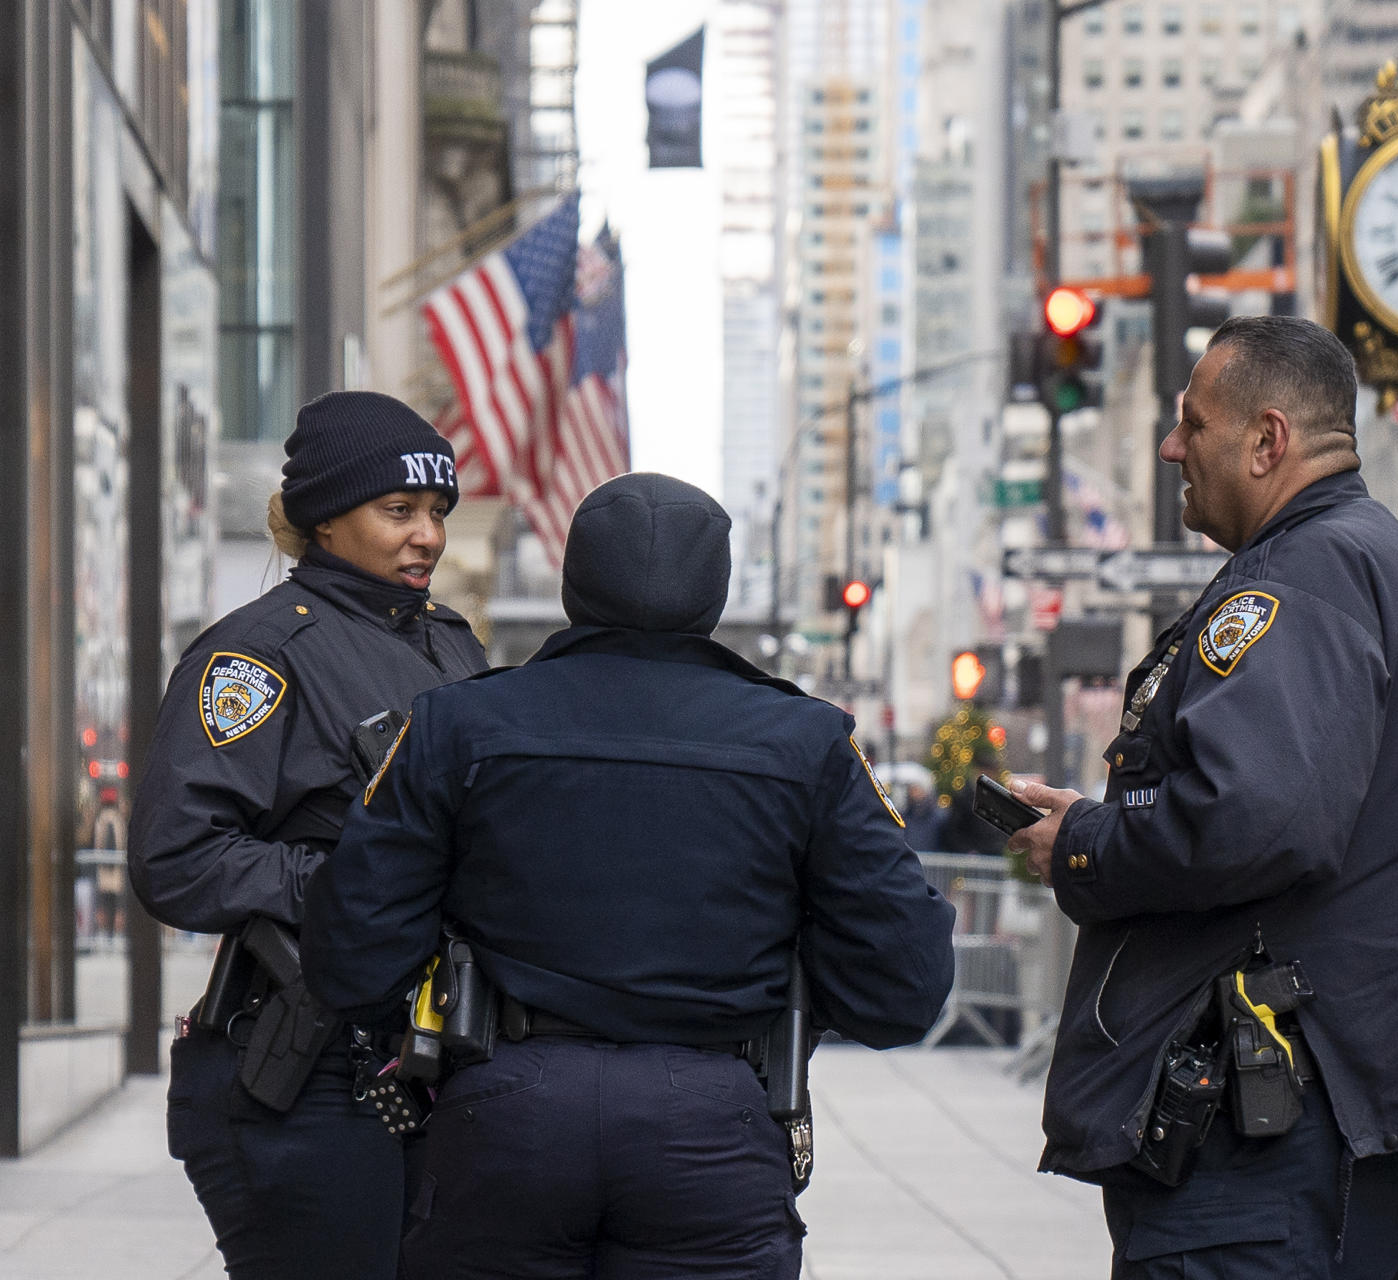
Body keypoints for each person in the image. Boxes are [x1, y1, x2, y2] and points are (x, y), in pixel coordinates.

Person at [1007, 316, 1398, 1280]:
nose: (1171, 447)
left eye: (1193, 423)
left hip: (1286, 1127)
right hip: (1354, 1098)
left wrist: (1085, 843)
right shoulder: (1373, 562)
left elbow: (1255, 821)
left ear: (1268, 440)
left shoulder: (1301, 576)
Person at [300, 472, 956, 1280]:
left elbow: (352, 956)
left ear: (574, 583)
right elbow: (905, 985)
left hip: (506, 1112)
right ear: (713, 594)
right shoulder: (808, 741)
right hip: (713, 1122)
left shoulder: (457, 723)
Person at [129, 391, 488, 1280]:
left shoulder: (452, 645)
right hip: (300, 1074)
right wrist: (341, 886)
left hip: (421, 1060)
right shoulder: (255, 657)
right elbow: (176, 857)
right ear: (325, 519)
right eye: (398, 510)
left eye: (437, 512)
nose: (427, 537)